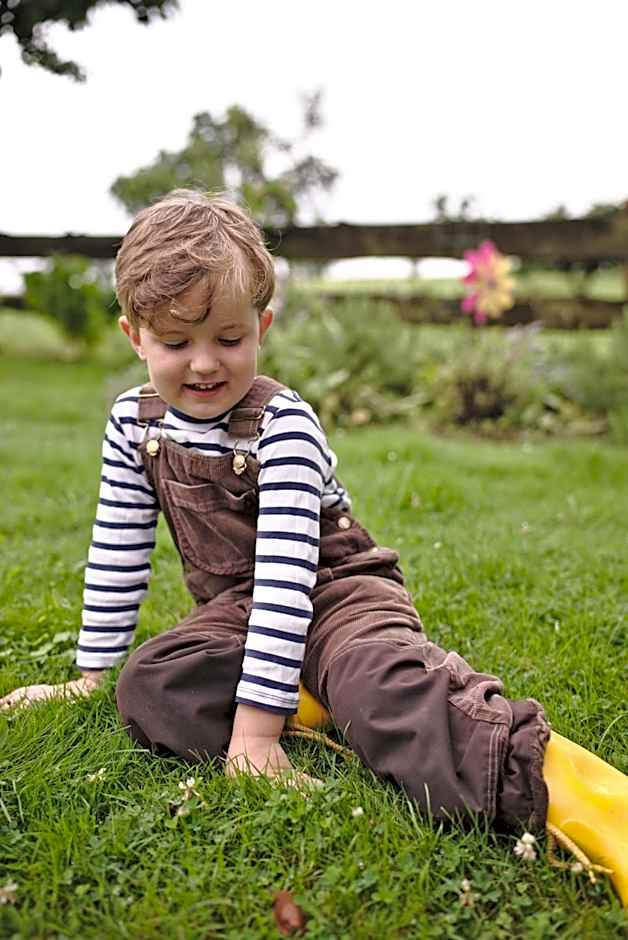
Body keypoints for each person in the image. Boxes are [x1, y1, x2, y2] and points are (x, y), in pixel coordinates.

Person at [1, 190, 626, 905]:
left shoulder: (284, 426)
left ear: (261, 326)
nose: (203, 364)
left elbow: (286, 575)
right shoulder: (132, 424)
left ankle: (564, 787)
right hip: (242, 608)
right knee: (150, 686)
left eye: (228, 339)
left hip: (334, 594)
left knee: (383, 691)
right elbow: (118, 545)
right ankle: (305, 694)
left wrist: (255, 738)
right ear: (134, 337)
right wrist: (91, 676)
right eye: (175, 343)